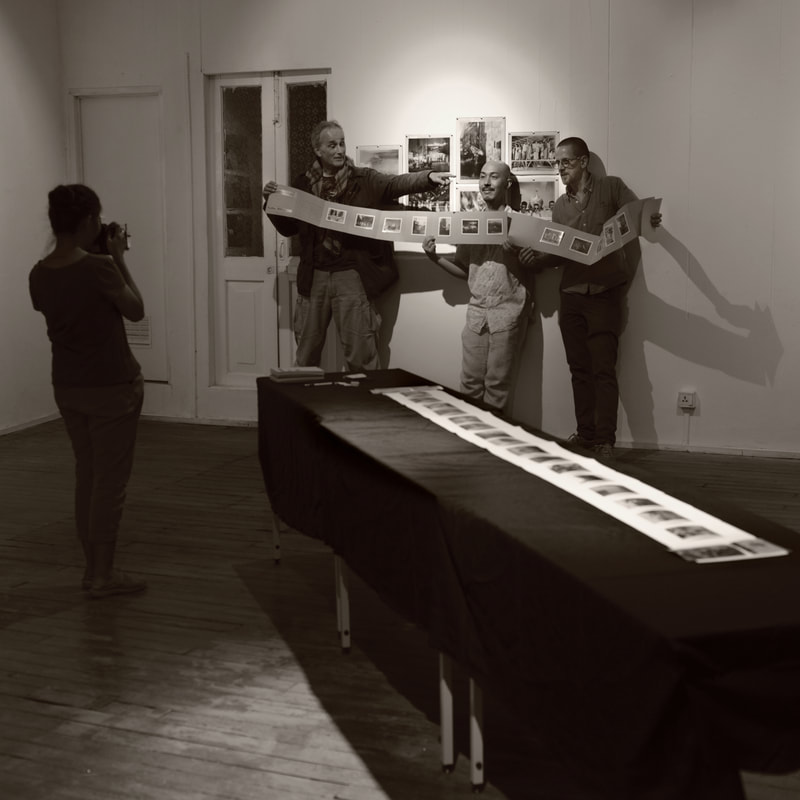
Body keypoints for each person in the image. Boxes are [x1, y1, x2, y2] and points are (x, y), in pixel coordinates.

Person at [29, 184, 147, 598]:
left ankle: (90, 570)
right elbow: (136, 310)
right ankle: (102, 575)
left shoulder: (39, 273)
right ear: (87, 222)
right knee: (110, 485)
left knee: (87, 477)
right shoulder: (99, 268)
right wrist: (116, 258)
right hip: (112, 385)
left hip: (68, 386)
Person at [262, 120, 452, 371]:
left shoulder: (364, 179)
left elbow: (395, 183)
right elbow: (288, 228)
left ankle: (367, 405)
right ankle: (308, 405)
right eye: (332, 145)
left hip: (351, 274)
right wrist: (271, 202)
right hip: (314, 275)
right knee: (305, 356)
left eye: (342, 143)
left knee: (361, 355)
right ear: (318, 150)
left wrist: (427, 177)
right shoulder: (303, 184)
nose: (340, 150)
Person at [525, 137, 661, 458]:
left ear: (583, 162)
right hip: (570, 296)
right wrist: (537, 258)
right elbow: (560, 254)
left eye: (566, 162)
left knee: (603, 369)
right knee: (578, 369)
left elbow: (636, 214)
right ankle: (585, 434)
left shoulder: (611, 188)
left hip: (604, 295)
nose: (560, 168)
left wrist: (648, 220)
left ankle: (605, 439)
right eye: (557, 163)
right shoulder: (559, 206)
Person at [423, 161, 533, 413]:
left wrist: (516, 255)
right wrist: (435, 258)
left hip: (508, 315)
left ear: (507, 183)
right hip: (476, 316)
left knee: (498, 387)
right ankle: (470, 443)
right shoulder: (470, 222)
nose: (486, 182)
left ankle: (495, 447)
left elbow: (535, 267)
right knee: (469, 385)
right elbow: (464, 270)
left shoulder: (521, 224)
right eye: (482, 176)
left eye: (494, 177)